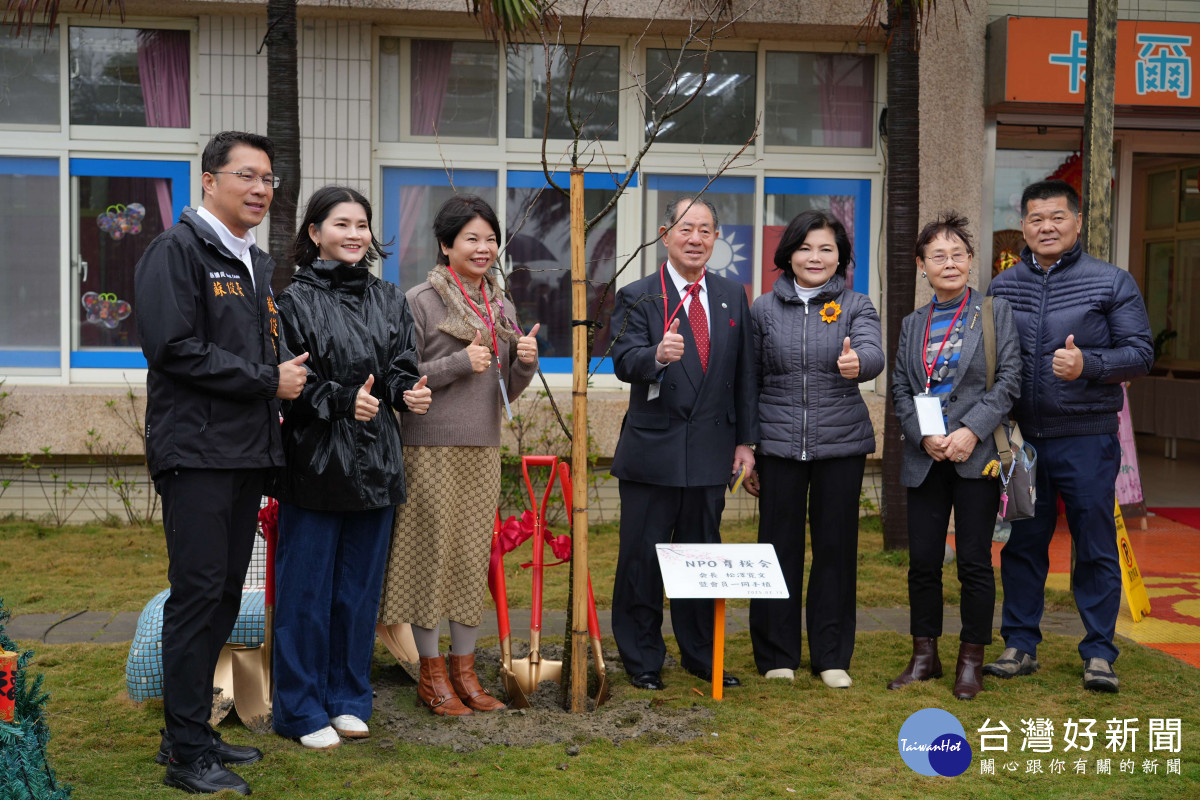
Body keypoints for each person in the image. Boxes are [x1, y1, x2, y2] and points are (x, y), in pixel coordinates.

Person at [135, 131, 308, 796]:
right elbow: (172, 347)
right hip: (195, 455)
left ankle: (193, 731)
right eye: (247, 175)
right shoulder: (176, 251)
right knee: (198, 596)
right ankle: (184, 754)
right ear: (208, 180)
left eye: (268, 179)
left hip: (242, 454)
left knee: (223, 599)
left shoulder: (252, 262)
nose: (261, 189)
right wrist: (268, 380)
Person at [271, 186, 432, 748]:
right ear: (315, 232)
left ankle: (347, 699)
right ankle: (298, 708)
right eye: (342, 223)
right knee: (305, 595)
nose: (355, 234)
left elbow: (399, 366)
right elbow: (291, 382)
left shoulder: (389, 297)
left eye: (362, 224)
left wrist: (406, 390)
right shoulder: (291, 301)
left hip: (378, 464)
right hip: (315, 464)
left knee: (358, 594)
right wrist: (342, 401)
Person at [985, 180, 1153, 693]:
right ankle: (1019, 645)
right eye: (1036, 219)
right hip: (1023, 443)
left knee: (1094, 544)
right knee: (1022, 544)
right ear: (1024, 227)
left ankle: (1099, 652)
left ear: (1077, 222)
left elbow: (1141, 354)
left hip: (1086, 437)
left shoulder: (1111, 282)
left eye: (1057, 217)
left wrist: (1088, 365)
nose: (1046, 227)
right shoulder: (1003, 286)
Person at [378, 195, 540, 715]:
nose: (483, 247)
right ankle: (432, 676)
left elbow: (504, 391)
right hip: (429, 447)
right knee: (431, 559)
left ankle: (466, 672)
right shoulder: (420, 300)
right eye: (471, 238)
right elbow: (402, 376)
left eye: (490, 239)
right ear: (446, 245)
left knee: (472, 559)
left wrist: (525, 364)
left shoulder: (502, 305)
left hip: (483, 447)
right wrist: (456, 362)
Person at [608, 197, 758, 692]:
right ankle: (642, 656)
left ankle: (700, 653)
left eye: (706, 230)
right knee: (642, 560)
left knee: (701, 560)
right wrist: (656, 354)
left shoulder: (732, 294)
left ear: (716, 238)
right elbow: (624, 361)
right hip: (653, 451)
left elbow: (744, 376)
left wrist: (746, 443)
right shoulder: (638, 295)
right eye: (686, 228)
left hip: (712, 451)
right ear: (665, 233)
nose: (696, 238)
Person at [745, 210, 884, 689]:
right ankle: (776, 653)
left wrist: (856, 363)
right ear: (789, 254)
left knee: (835, 551)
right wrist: (749, 444)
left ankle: (831, 655)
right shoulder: (763, 308)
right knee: (777, 549)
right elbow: (751, 378)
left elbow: (872, 353)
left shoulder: (856, 305)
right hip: (778, 445)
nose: (815, 257)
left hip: (839, 446)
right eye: (805, 248)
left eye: (827, 249)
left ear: (841, 257)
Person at [889, 213, 1021, 700]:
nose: (949, 263)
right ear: (921, 265)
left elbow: (1010, 380)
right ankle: (924, 655)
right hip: (926, 456)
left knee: (973, 562)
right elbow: (902, 388)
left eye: (958, 254)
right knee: (922, 561)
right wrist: (925, 436)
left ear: (971, 261)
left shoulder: (993, 312)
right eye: (937, 256)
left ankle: (971, 660)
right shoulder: (912, 323)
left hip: (974, 454)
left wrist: (970, 431)